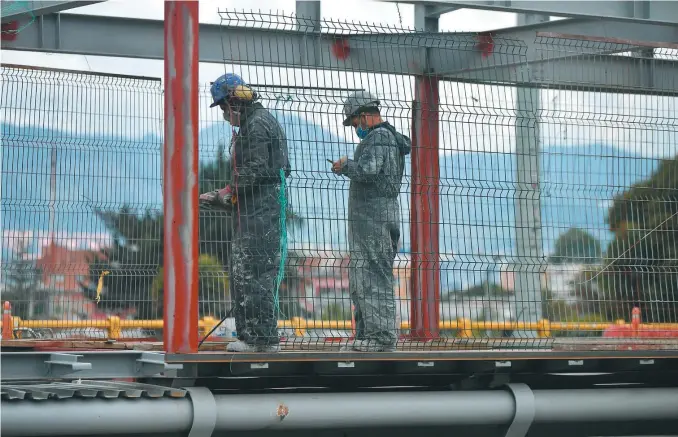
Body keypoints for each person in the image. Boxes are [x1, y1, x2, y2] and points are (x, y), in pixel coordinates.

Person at [199, 73, 291, 352]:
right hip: (257, 213)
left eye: (225, 108)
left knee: (253, 275)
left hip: (259, 217)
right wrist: (227, 194)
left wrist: (223, 195)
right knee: (247, 274)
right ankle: (252, 336)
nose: (226, 115)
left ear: (234, 102)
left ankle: (259, 339)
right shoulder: (257, 122)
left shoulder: (257, 126)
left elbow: (254, 172)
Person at [331, 91, 412, 352]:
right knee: (363, 277)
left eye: (354, 122)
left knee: (373, 277)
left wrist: (346, 165)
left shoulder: (379, 138)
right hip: (373, 220)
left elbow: (367, 170)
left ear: (364, 115)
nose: (355, 127)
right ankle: (367, 336)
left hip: (374, 221)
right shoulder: (385, 138)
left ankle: (381, 338)